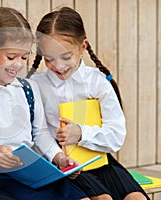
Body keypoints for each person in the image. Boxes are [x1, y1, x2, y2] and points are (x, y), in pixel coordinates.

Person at [0, 7, 89, 200]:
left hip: (33, 172)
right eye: (11, 57)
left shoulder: (29, 88)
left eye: (24, 57)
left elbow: (40, 133)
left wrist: (59, 157)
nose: (18, 65)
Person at [29, 7, 149, 200]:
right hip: (63, 164)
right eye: (49, 59)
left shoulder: (97, 81)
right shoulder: (37, 84)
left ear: (83, 46)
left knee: (137, 198)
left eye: (66, 57)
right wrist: (58, 157)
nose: (58, 66)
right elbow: (39, 132)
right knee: (103, 199)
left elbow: (116, 135)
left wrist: (81, 133)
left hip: (100, 161)